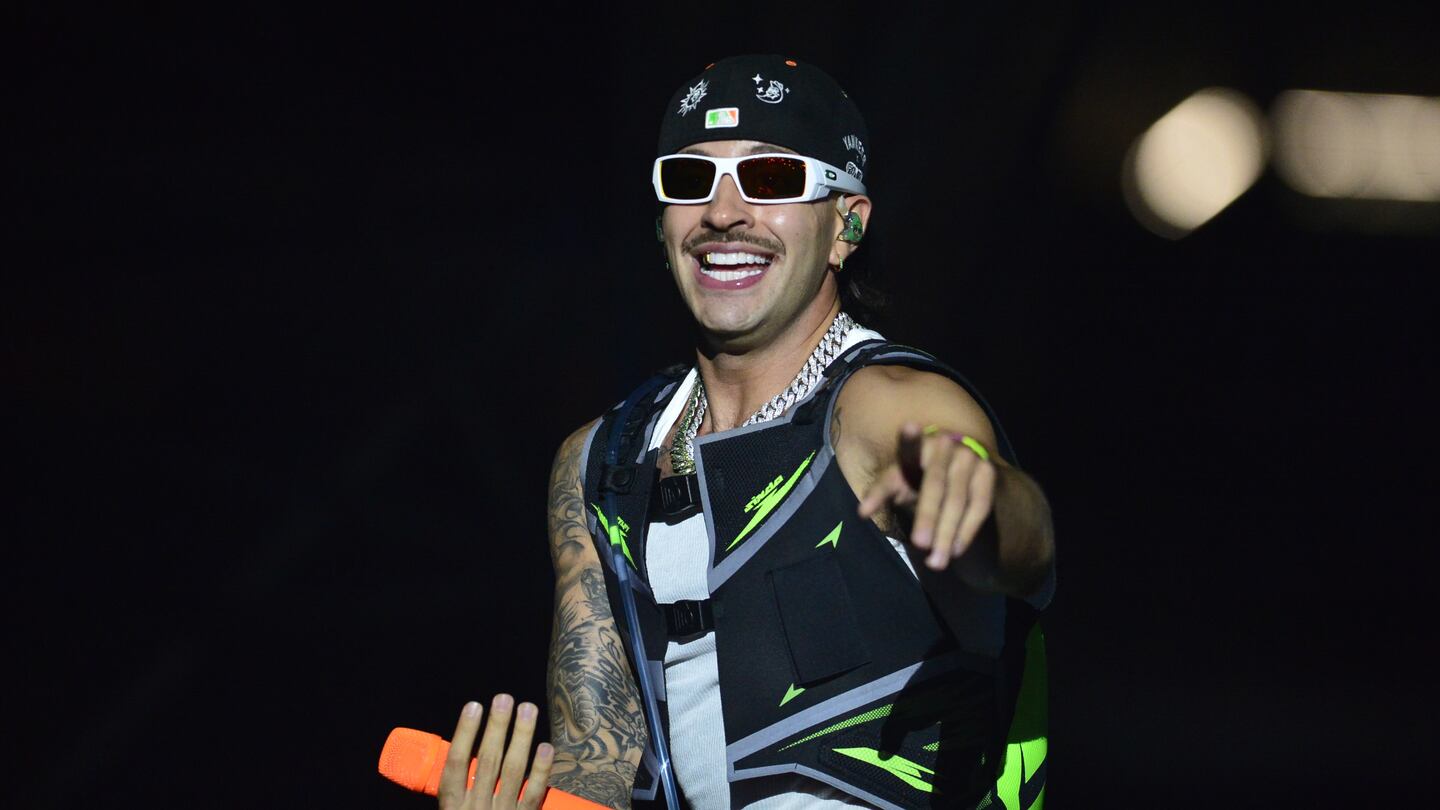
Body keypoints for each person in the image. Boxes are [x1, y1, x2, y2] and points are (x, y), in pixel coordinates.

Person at [543, 55, 1055, 810]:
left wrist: (981, 494)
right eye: (690, 179)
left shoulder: (883, 406)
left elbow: (1024, 545)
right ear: (661, 223)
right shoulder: (602, 461)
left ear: (847, 225)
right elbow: (594, 769)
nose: (723, 213)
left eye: (772, 178)